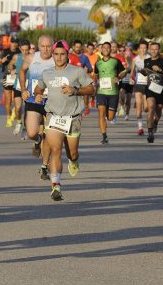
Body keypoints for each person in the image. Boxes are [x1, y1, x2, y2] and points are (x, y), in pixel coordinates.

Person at [34, 40, 94, 200]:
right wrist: (38, 95)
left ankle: (73, 161)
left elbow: (91, 88)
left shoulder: (77, 71)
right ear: (52, 55)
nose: (59, 57)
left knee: (72, 153)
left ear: (68, 55)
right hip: (53, 117)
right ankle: (56, 186)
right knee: (56, 150)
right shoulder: (47, 73)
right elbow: (38, 88)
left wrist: (76, 90)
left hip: (73, 118)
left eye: (62, 54)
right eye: (56, 54)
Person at [19, 35, 55, 180]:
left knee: (50, 136)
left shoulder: (57, 59)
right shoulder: (31, 58)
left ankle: (44, 166)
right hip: (34, 100)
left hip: (52, 102)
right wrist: (23, 89)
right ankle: (37, 140)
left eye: (49, 46)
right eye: (43, 46)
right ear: (39, 47)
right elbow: (22, 71)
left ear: (53, 46)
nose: (46, 49)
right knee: (32, 132)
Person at [94, 42, 126, 144]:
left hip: (113, 93)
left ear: (111, 49)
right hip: (101, 92)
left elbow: (124, 72)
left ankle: (111, 114)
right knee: (101, 113)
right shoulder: (98, 63)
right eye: (104, 48)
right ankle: (104, 136)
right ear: (101, 50)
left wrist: (118, 77)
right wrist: (95, 81)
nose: (106, 49)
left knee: (110, 117)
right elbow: (95, 75)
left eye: (108, 47)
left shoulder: (116, 61)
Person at [141, 42, 163, 143]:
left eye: (156, 49)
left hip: (161, 89)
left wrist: (160, 70)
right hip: (150, 88)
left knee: (159, 109)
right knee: (151, 107)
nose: (154, 51)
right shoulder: (147, 61)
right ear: (150, 49)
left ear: (159, 50)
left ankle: (156, 121)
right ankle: (150, 133)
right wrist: (143, 71)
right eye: (152, 49)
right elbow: (146, 73)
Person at [9, 39, 30, 136]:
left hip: (29, 86)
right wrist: (12, 70)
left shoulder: (32, 58)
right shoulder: (16, 57)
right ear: (20, 49)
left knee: (27, 108)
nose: (25, 52)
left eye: (27, 50)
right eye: (23, 50)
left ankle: (25, 127)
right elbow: (10, 64)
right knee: (18, 107)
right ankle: (19, 122)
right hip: (18, 85)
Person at [130, 41, 150, 135]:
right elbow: (132, 72)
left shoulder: (149, 58)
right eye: (141, 48)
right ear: (138, 49)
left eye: (144, 48)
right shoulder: (135, 59)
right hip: (138, 85)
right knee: (138, 108)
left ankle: (144, 105)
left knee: (146, 108)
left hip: (147, 85)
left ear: (147, 49)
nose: (143, 50)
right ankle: (140, 128)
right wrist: (131, 78)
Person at [0, 38, 20, 127]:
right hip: (7, 76)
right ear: (10, 43)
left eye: (16, 43)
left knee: (16, 99)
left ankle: (13, 113)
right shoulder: (5, 51)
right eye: (13, 42)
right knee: (8, 100)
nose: (14, 44)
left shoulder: (20, 52)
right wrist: (2, 60)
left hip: (17, 76)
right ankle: (8, 118)